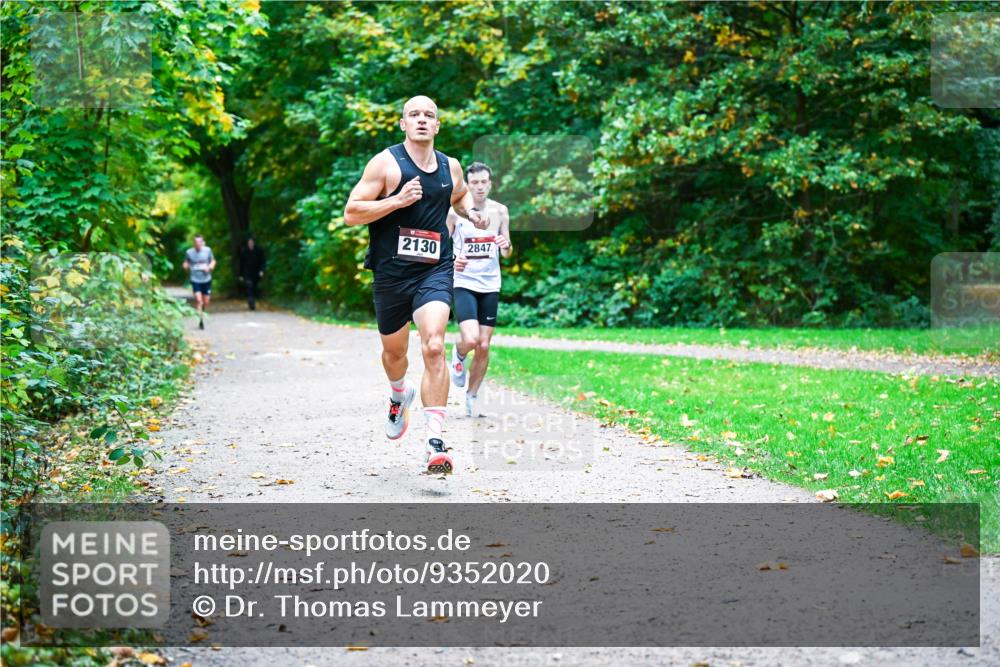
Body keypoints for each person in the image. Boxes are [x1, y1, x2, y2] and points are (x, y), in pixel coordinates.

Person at [343, 95, 488, 475]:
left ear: (437, 126)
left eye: (429, 115)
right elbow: (352, 212)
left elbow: (455, 197)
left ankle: (435, 440)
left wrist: (470, 212)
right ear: (403, 124)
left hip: (433, 269)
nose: (422, 120)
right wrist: (396, 201)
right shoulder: (386, 164)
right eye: (414, 115)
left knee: (435, 344)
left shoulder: (450, 166)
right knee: (394, 354)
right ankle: (398, 394)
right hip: (391, 273)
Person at [447, 162, 511, 417]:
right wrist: (454, 260)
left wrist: (505, 245)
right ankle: (459, 351)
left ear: (490, 183)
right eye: (474, 182)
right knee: (471, 339)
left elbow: (507, 250)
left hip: (490, 284)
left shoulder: (500, 211)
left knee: (484, 345)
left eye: (484, 182)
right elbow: (442, 249)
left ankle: (472, 397)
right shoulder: (454, 213)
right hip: (464, 282)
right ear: (467, 185)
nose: (480, 187)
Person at [182, 234, 216, 330]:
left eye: (199, 242)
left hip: (206, 279)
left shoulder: (207, 250)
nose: (198, 244)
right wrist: (185, 266)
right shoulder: (189, 252)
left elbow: (213, 261)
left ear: (202, 242)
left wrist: (209, 267)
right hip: (195, 279)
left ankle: (202, 312)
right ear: (193, 243)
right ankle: (200, 319)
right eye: (196, 242)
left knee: (206, 301)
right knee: (198, 300)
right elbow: (186, 262)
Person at [239, 236, 266, 311]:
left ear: (254, 242)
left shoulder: (259, 250)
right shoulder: (244, 251)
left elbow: (263, 262)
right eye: (249, 242)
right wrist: (240, 274)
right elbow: (241, 264)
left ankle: (252, 299)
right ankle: (251, 302)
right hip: (247, 273)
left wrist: (262, 270)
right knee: (249, 286)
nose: (250, 244)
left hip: (256, 273)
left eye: (251, 242)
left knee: (254, 287)